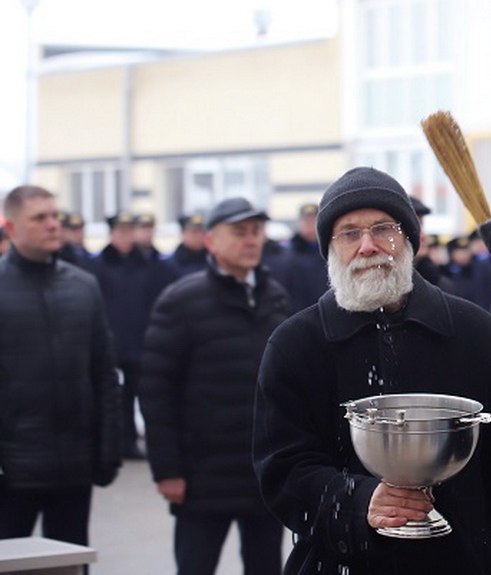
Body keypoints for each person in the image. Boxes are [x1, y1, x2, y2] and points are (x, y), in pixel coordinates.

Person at [252, 167, 491, 574]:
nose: (368, 246)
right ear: (330, 249)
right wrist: (359, 501)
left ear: (411, 239)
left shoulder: (471, 331)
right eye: (349, 233)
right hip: (342, 562)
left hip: (461, 560)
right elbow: (282, 471)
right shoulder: (297, 344)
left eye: (383, 229)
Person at [142, 197, 291, 575]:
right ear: (211, 241)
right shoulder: (181, 301)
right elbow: (157, 390)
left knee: (265, 567)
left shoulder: (275, 298)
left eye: (256, 232)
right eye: (239, 232)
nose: (251, 241)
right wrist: (167, 470)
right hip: (201, 477)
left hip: (262, 473)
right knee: (196, 566)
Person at [0, 185, 122, 546]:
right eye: (39, 218)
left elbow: (103, 373)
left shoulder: (83, 287)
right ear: (10, 227)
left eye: (55, 216)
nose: (53, 225)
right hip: (12, 469)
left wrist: (107, 450)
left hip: (73, 467)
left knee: (70, 562)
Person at [92, 211, 179, 459]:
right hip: (111, 342)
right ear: (111, 234)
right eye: (120, 232)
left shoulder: (149, 266)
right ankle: (114, 444)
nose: (126, 237)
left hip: (141, 342)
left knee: (145, 395)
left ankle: (135, 442)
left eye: (129, 231)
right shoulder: (98, 266)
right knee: (114, 399)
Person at [272, 202, 328, 313]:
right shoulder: (286, 254)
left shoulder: (328, 253)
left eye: (313, 221)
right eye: (306, 221)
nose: (310, 225)